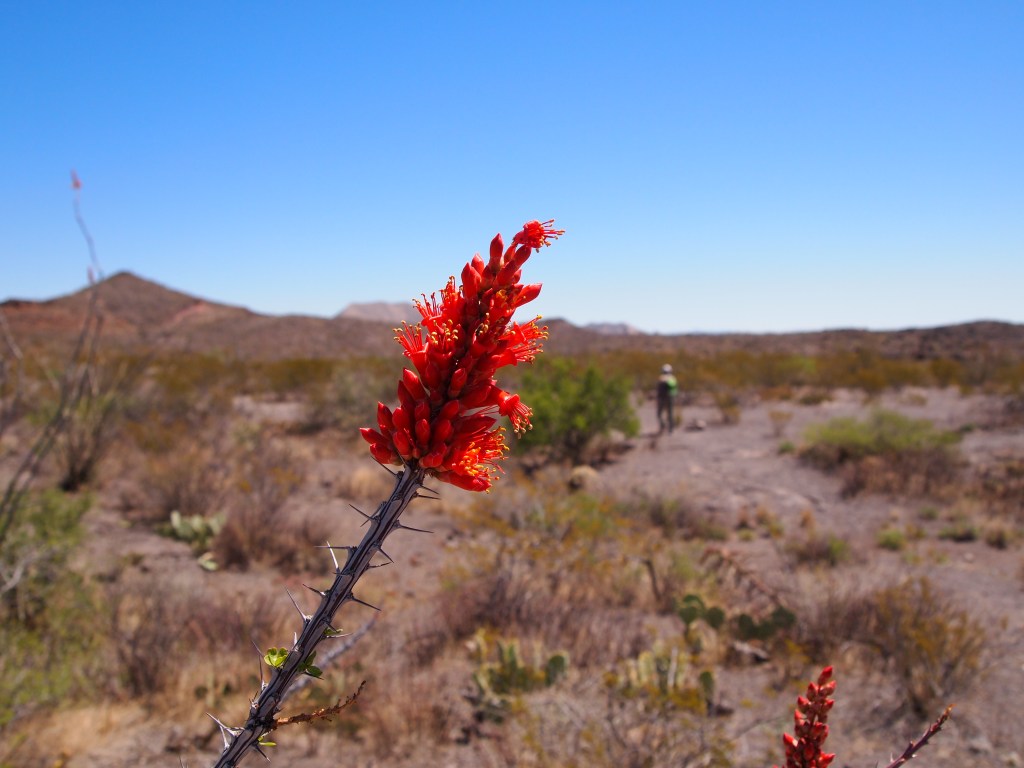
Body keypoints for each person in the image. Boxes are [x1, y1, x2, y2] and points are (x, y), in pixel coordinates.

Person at [656, 363, 679, 433]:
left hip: (662, 398)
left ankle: (663, 426)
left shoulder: (661, 378)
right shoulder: (673, 378)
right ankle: (670, 429)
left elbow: (658, 389)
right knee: (670, 413)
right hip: (670, 398)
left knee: (659, 413)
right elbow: (675, 390)